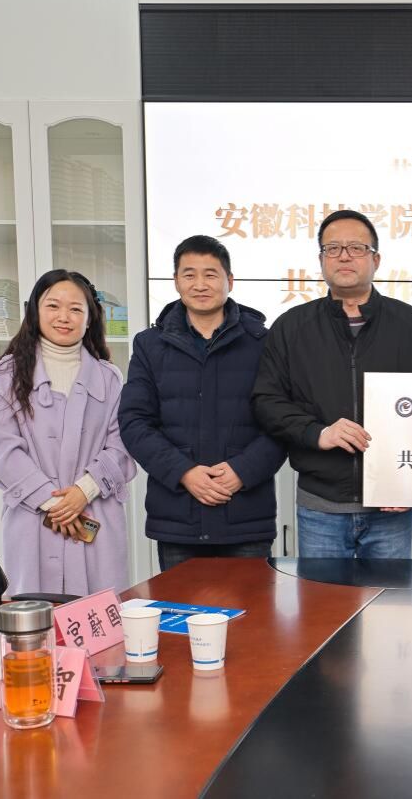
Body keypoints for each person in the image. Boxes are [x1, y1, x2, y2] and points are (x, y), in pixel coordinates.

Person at [251, 209, 412, 558]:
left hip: (391, 505)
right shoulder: (292, 327)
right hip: (320, 504)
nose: (344, 256)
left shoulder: (411, 325)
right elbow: (267, 400)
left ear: (376, 260)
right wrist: (317, 432)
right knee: (321, 596)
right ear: (321, 260)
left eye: (356, 248)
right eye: (333, 248)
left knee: (388, 595)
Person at [119, 236, 286, 571]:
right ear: (176, 281)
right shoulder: (150, 345)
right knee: (179, 607)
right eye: (189, 274)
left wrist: (243, 470)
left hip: (246, 515)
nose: (200, 284)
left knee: (251, 607)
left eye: (210, 274)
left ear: (230, 281)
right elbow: (134, 421)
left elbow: (283, 421)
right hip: (179, 517)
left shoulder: (263, 343)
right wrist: (184, 472)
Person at [0, 269, 136, 596]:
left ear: (90, 319)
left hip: (95, 512)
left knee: (98, 616)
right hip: (32, 519)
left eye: (76, 309)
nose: (64, 317)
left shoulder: (109, 378)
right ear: (35, 311)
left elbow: (122, 446)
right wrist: (54, 504)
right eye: (53, 306)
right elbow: (3, 454)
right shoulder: (7, 376)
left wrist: (83, 491)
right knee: (37, 616)